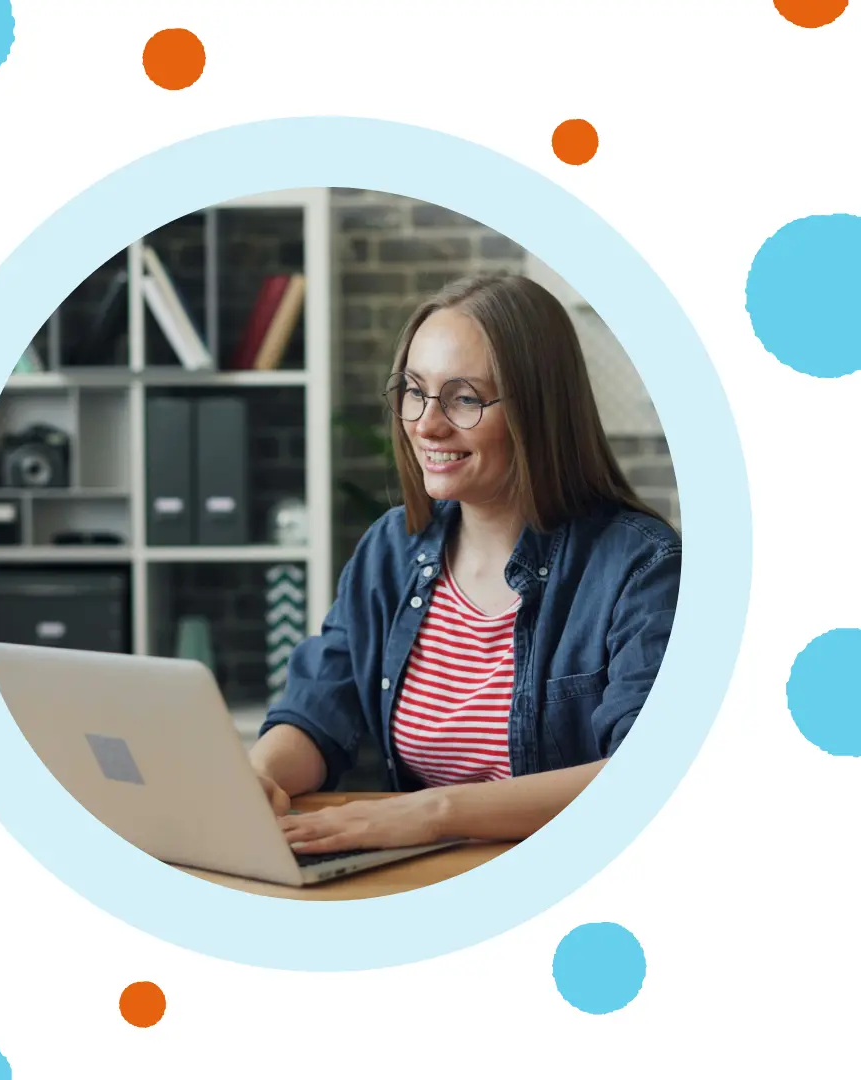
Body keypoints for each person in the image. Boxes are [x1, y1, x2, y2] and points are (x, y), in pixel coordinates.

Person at [249, 273, 681, 857]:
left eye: (465, 398)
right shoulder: (391, 548)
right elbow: (317, 709)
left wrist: (436, 813)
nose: (426, 424)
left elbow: (650, 774)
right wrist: (259, 776)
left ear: (539, 411)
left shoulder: (641, 566)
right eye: (414, 391)